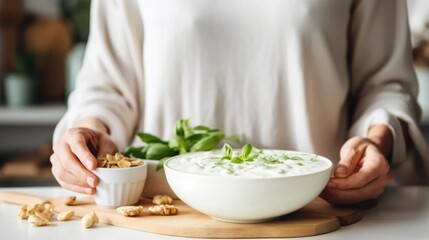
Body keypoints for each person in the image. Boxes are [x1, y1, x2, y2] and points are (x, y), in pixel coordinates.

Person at [51, 0, 429, 205]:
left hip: (316, 211)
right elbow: (108, 84)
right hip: (167, 211)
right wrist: (90, 129)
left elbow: (385, 82)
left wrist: (376, 140)